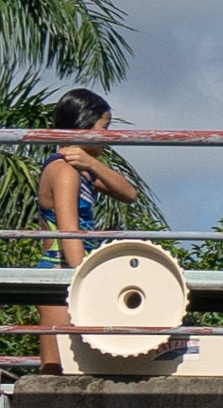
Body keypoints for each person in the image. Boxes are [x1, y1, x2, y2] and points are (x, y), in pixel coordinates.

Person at [30, 88, 141, 372]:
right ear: (84, 126)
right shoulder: (64, 171)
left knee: (79, 366)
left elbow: (129, 193)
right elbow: (70, 235)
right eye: (104, 128)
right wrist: (86, 278)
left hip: (74, 270)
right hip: (61, 272)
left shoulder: (82, 171)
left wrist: (91, 162)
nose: (108, 137)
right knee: (56, 367)